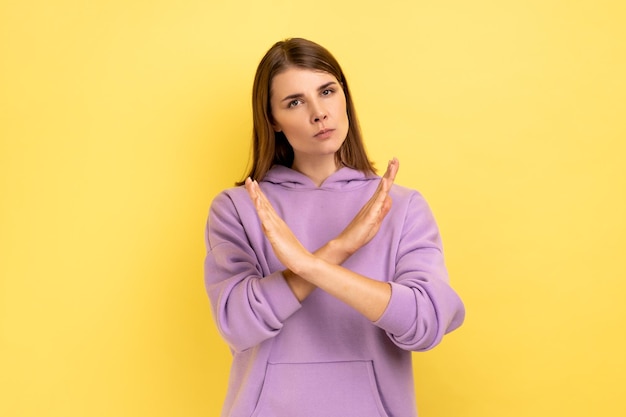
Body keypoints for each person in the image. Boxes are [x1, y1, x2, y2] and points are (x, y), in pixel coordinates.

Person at [204, 38, 465, 417]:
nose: (319, 113)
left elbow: (426, 325)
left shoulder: (401, 206)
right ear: (273, 120)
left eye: (327, 91)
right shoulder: (240, 208)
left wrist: (311, 266)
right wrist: (340, 248)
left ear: (344, 95)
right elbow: (238, 324)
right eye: (295, 102)